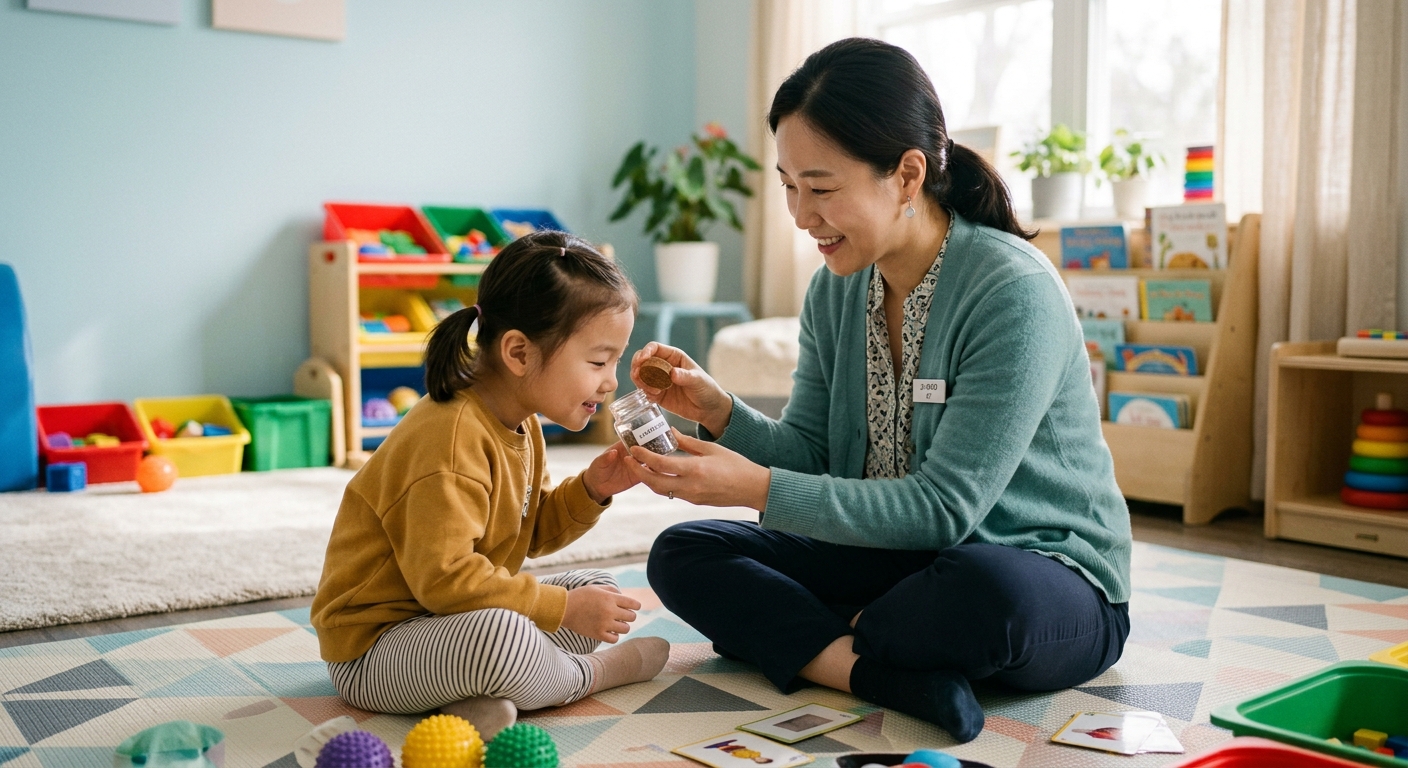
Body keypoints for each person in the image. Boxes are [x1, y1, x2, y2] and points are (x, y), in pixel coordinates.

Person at [625, 38, 1132, 743]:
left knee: (982, 594)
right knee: (684, 554)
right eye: (789, 186)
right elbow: (812, 454)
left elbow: (945, 509)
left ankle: (820, 638)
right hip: (898, 563)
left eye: (822, 188)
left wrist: (756, 489)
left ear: (906, 175)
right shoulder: (833, 292)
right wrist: (719, 410)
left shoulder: (1011, 291)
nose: (801, 215)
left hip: (1040, 569)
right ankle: (876, 671)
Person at [311, 231, 669, 739]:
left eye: (613, 362)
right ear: (519, 353)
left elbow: (528, 532)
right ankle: (588, 675)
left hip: (448, 626)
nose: (612, 381)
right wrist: (563, 611)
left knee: (595, 588)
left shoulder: (521, 423)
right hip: (374, 650)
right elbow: (445, 581)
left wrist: (591, 489)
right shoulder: (449, 438)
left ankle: (482, 697)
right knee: (503, 635)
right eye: (597, 361)